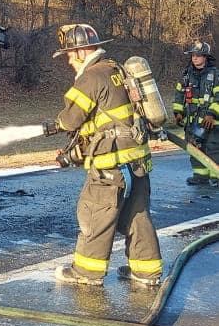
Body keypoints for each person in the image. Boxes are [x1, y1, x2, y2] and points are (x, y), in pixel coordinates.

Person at [43, 23, 163, 288]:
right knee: (137, 215)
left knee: (96, 213)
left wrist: (56, 125)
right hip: (137, 163)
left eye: (70, 54)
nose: (69, 61)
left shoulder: (91, 77)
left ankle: (86, 273)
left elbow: (71, 119)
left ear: (82, 50)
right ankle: (147, 274)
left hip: (111, 163)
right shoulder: (116, 70)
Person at [172, 40, 219, 186]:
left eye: (198, 55)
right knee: (194, 149)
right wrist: (178, 112)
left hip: (211, 122)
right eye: (193, 55)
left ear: (205, 57)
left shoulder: (215, 75)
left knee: (213, 149)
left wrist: (212, 114)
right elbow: (179, 94)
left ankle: (216, 177)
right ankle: (200, 177)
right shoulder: (186, 75)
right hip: (192, 121)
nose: (195, 58)